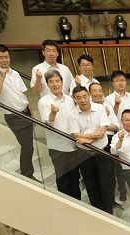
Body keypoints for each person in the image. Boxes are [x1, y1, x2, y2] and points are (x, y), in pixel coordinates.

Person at [0, 45, 34, 178]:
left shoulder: (15, 73)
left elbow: (22, 93)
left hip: (25, 112)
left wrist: (29, 109)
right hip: (14, 115)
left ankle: (27, 173)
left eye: (6, 57)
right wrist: (2, 77)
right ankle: (27, 175)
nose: (4, 60)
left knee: (29, 145)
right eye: (1, 58)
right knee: (27, 146)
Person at [67, 85, 115, 214]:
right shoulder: (72, 115)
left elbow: (102, 133)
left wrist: (87, 140)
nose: (82, 100)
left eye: (84, 96)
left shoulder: (100, 108)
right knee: (90, 184)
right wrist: (93, 136)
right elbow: (75, 135)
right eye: (78, 98)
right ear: (74, 99)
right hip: (83, 155)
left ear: (89, 96)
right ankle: (97, 211)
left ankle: (109, 211)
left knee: (106, 183)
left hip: (102, 152)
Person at [37, 71, 79, 199]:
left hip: (73, 145)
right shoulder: (44, 101)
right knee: (62, 179)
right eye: (51, 82)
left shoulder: (70, 100)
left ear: (62, 82)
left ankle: (77, 205)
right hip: (57, 147)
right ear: (47, 84)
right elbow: (48, 122)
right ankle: (65, 204)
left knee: (75, 178)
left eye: (57, 81)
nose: (55, 84)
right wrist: (53, 112)